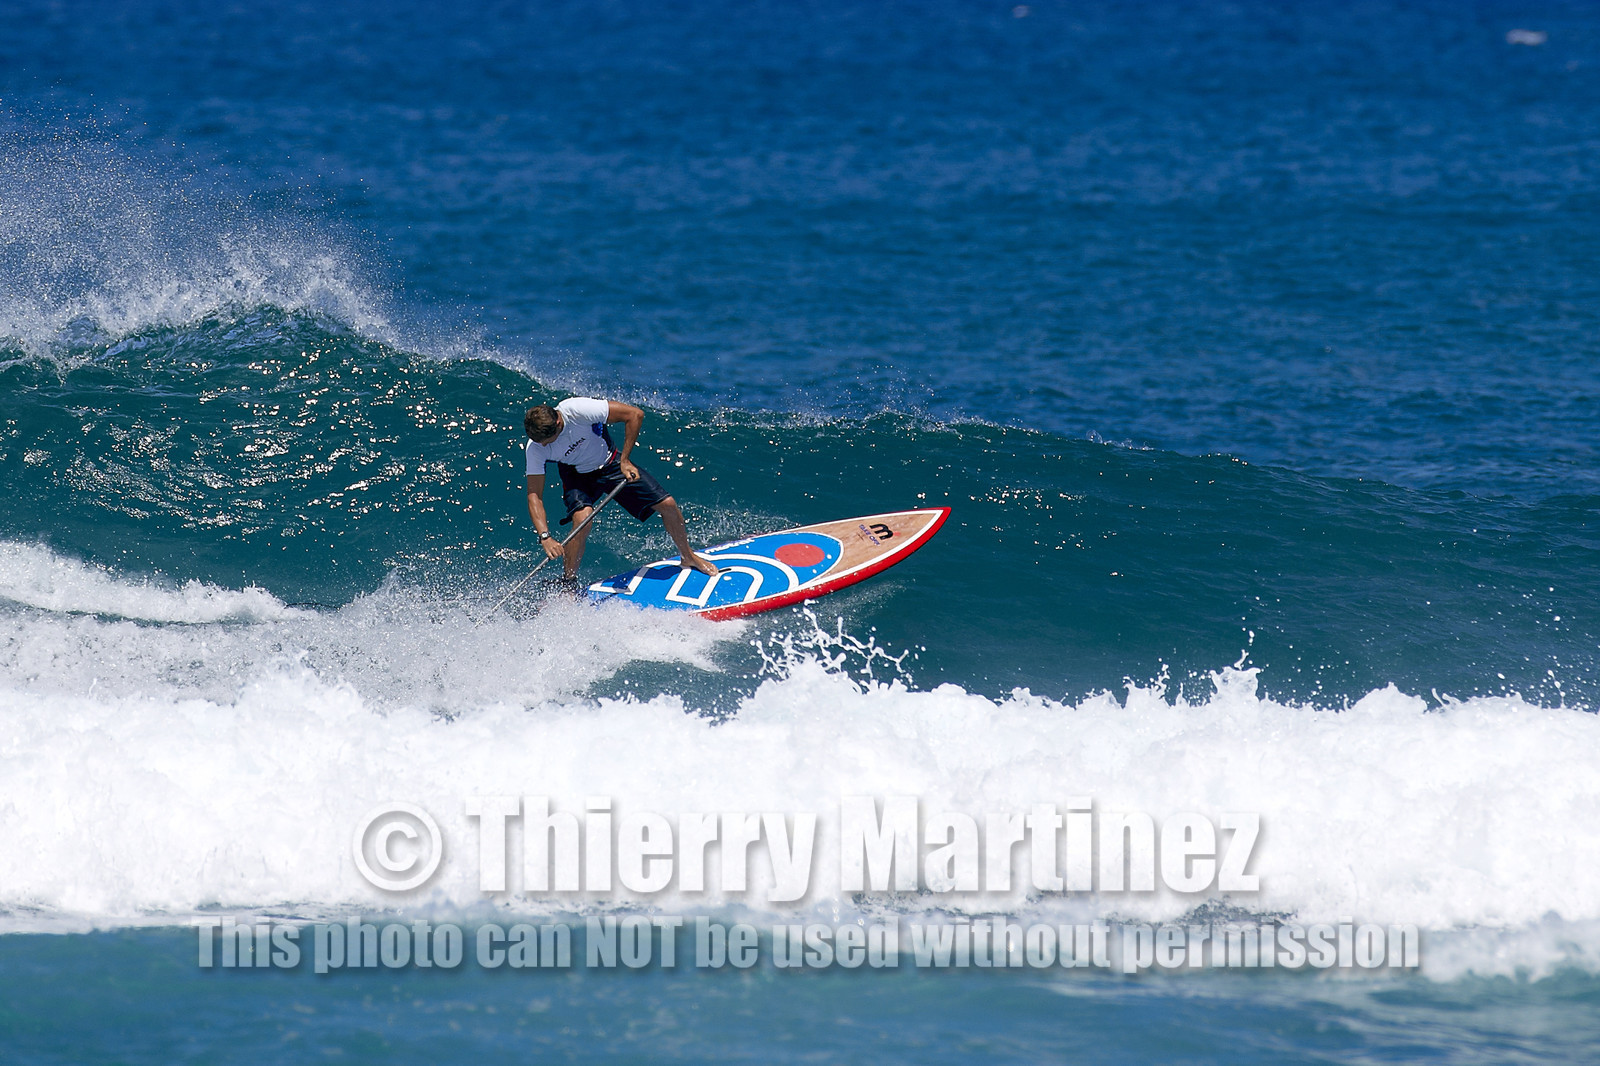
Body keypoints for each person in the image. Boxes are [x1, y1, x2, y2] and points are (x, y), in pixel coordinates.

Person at [523, 397, 721, 583]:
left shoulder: (577, 410)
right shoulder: (535, 447)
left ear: (558, 423)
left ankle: (688, 556)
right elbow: (534, 495)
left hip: (610, 462)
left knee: (667, 504)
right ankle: (568, 581)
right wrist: (545, 537)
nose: (542, 446)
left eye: (546, 441)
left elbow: (634, 414)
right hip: (576, 474)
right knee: (582, 519)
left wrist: (625, 460)